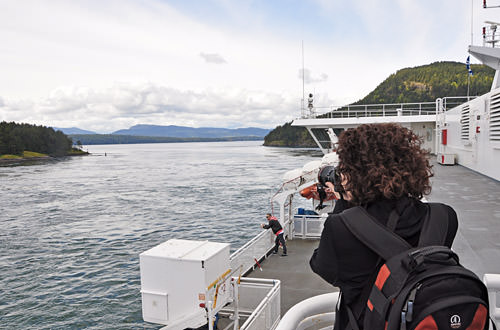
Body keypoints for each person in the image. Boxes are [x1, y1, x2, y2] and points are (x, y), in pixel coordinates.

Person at [309, 123, 458, 329]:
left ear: (355, 172)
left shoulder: (340, 226)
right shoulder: (444, 217)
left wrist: (343, 198)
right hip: (426, 318)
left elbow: (321, 266)